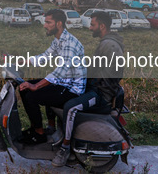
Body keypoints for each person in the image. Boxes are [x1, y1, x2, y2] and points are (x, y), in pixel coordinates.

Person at [52, 11, 125, 167]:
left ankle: (64, 148)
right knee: (56, 92)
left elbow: (100, 73)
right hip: (97, 88)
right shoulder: (108, 42)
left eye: (92, 25)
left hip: (100, 94)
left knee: (70, 107)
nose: (90, 28)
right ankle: (54, 134)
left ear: (102, 26)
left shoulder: (109, 45)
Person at [19, 9, 86, 145]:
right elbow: (45, 56)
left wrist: (36, 86)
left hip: (72, 89)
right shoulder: (59, 40)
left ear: (59, 24)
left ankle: (39, 134)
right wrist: (21, 61)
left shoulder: (69, 44)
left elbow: (60, 72)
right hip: (64, 83)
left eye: (48, 22)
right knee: (24, 88)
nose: (45, 25)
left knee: (32, 94)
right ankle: (39, 128)